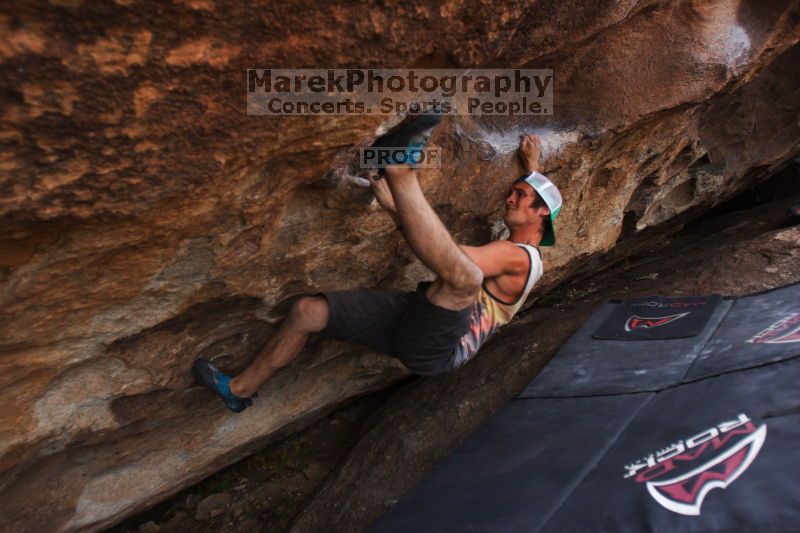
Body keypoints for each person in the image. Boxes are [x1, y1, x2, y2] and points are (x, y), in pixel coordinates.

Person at [193, 121, 562, 413]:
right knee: (307, 311)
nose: (509, 196)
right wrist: (532, 168)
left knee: (465, 278)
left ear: (541, 211)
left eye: (521, 195)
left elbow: (449, 257)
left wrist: (394, 207)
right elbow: (539, 206)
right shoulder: (525, 238)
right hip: (419, 319)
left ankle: (401, 166)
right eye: (513, 190)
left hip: (437, 349)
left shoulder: (520, 257)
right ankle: (238, 391)